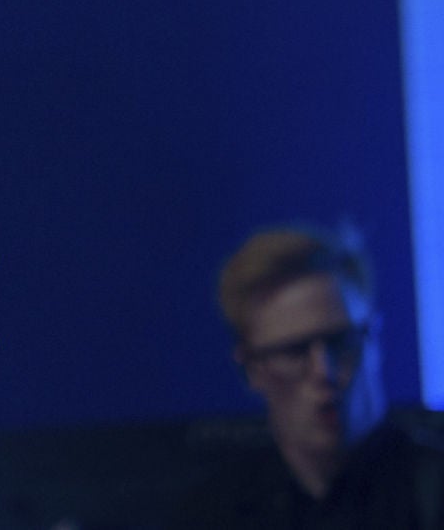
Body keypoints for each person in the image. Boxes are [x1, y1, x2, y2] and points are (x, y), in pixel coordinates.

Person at [173, 224, 444, 528]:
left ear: (374, 339)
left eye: (340, 342)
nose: (323, 372)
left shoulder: (432, 492)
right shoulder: (212, 515)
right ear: (251, 367)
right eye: (295, 351)